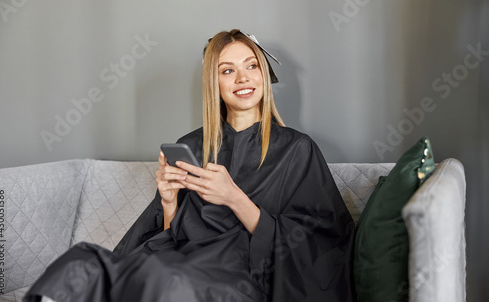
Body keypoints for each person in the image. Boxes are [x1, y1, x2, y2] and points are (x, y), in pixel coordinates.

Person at [24, 29, 355, 302]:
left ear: (264, 74)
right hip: (182, 260)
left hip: (237, 277)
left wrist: (234, 198)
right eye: (227, 70)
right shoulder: (192, 145)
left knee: (167, 279)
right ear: (214, 83)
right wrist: (169, 203)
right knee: (81, 262)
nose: (242, 78)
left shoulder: (297, 149)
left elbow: (322, 245)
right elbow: (172, 236)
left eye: (251, 66)